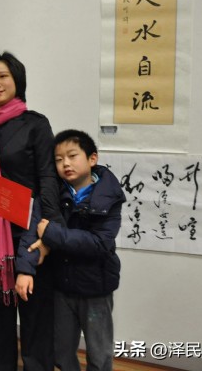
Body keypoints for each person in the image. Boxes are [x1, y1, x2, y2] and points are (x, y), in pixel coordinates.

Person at [0, 51, 64, 370]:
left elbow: (48, 177)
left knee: (35, 310)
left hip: (29, 228)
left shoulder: (35, 124)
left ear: (17, 80)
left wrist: (47, 230)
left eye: (3, 76)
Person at [34, 130, 125, 371]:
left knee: (99, 352)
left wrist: (52, 234)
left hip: (95, 287)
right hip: (61, 286)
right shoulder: (54, 193)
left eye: (72, 156)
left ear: (92, 159)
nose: (65, 163)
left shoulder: (108, 196)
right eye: (58, 158)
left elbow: (99, 243)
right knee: (62, 351)